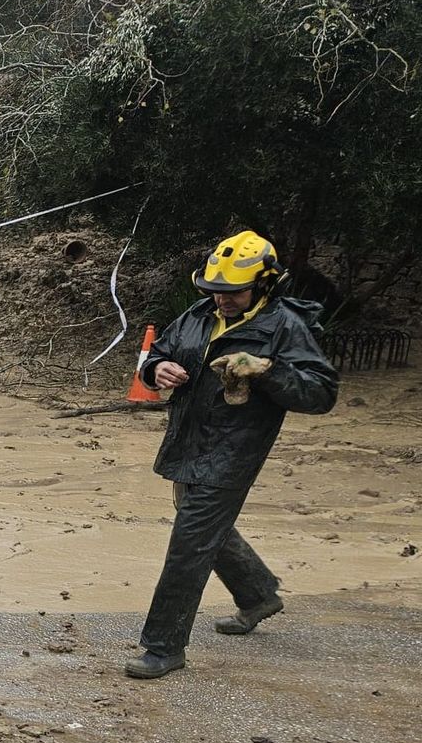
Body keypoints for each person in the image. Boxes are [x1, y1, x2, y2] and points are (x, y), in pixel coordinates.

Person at [126, 230, 339, 679]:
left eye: (232, 292)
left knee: (189, 544)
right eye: (214, 291)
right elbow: (158, 353)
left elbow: (321, 393)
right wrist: (155, 369)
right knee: (201, 525)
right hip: (187, 441)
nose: (221, 300)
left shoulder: (284, 325)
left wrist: (267, 371)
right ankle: (258, 595)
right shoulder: (199, 314)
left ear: (264, 285)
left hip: (234, 452)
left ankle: (163, 647)